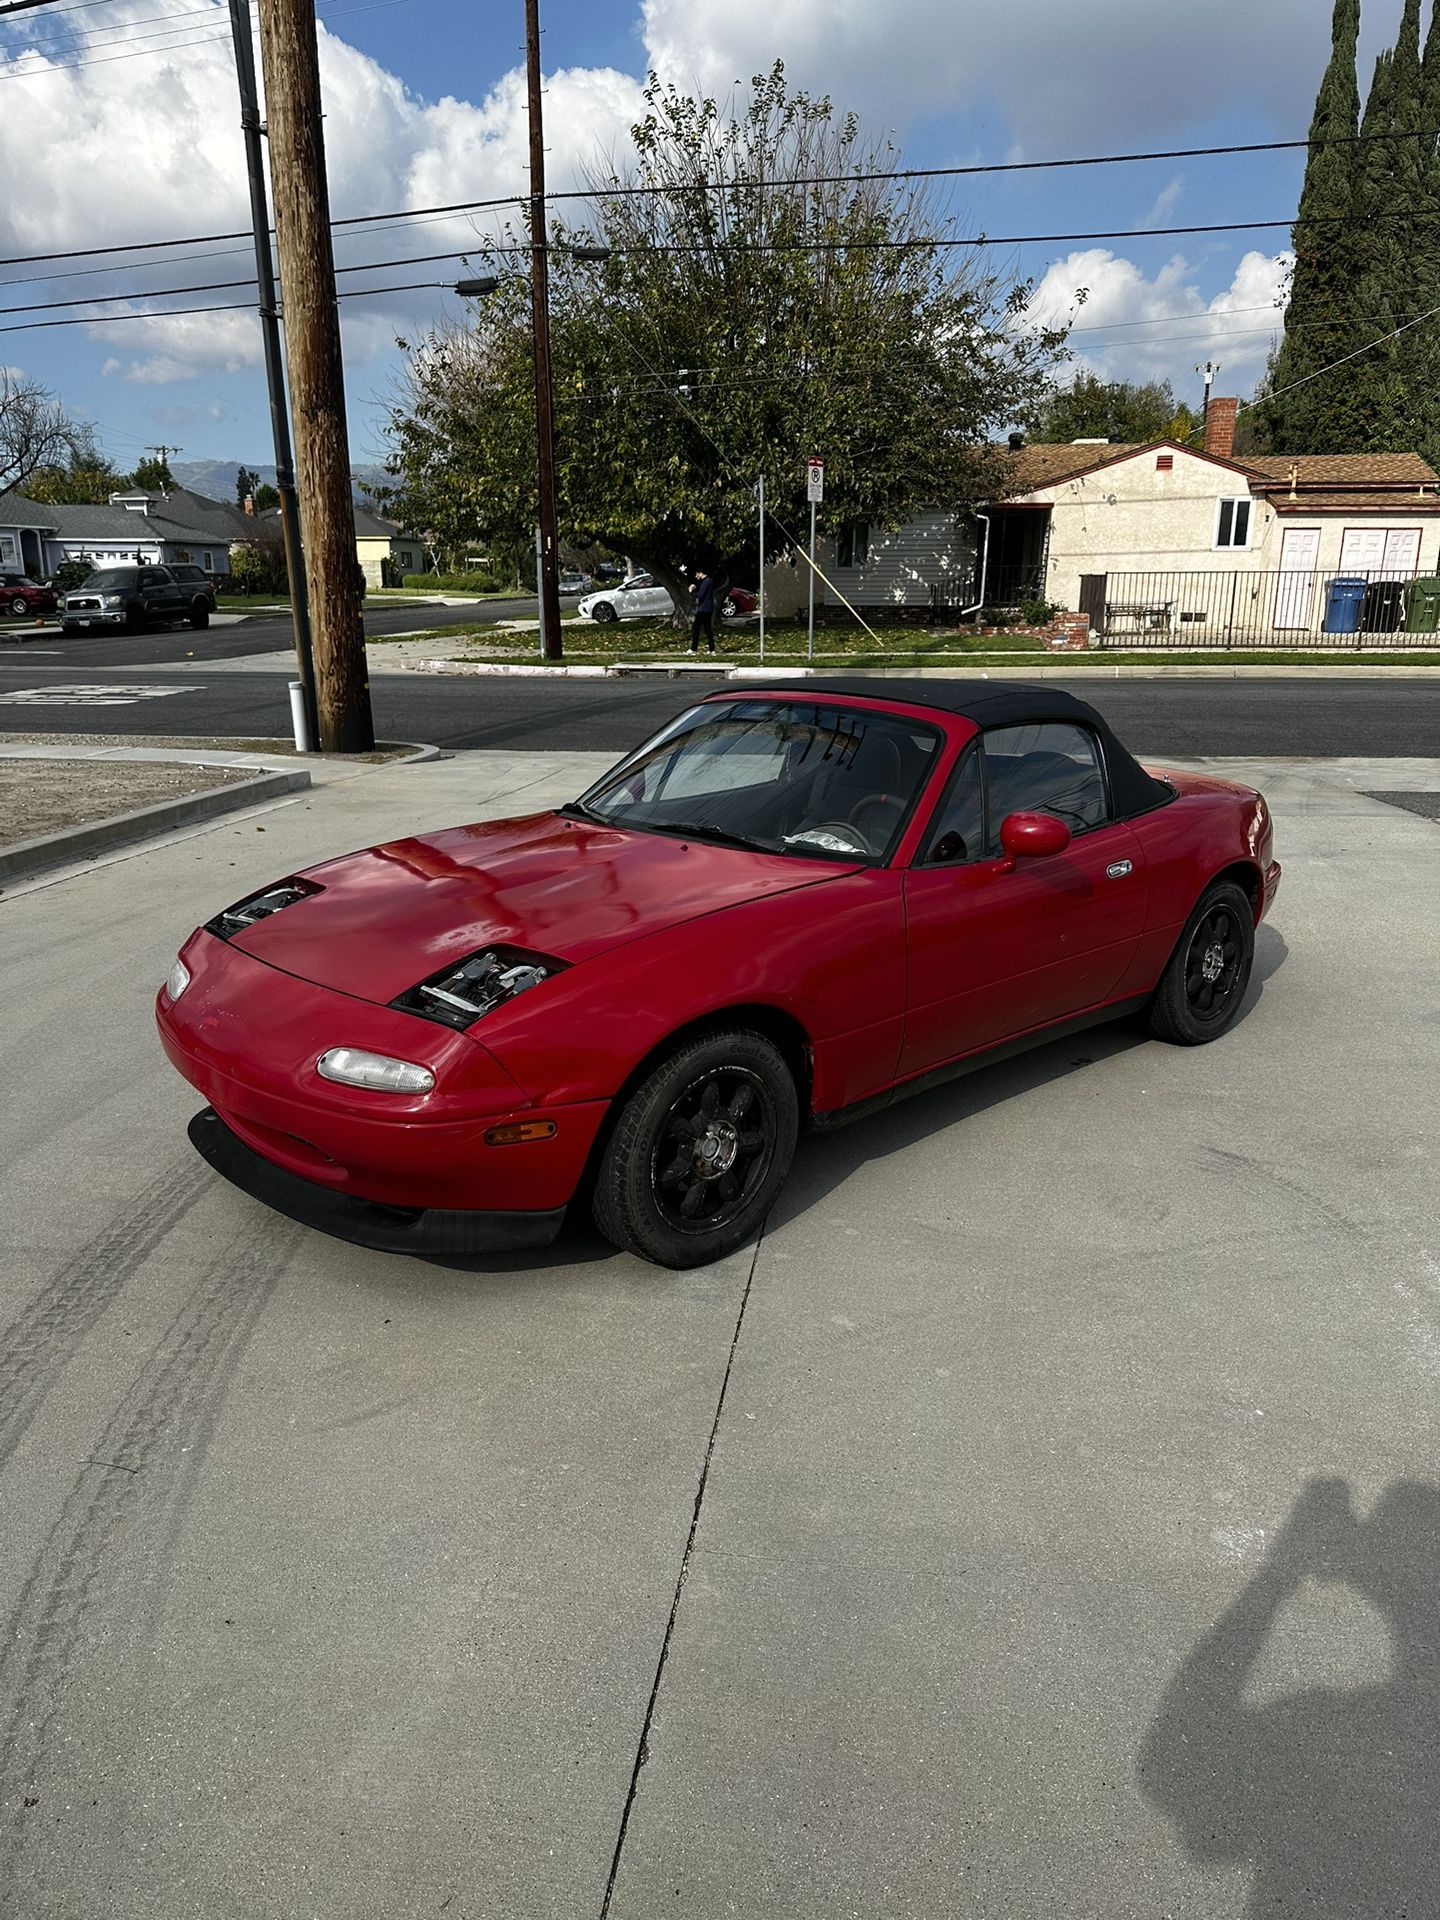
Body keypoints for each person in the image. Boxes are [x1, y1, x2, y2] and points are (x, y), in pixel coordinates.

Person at [688, 569, 716, 654]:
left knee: (696, 628)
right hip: (708, 608)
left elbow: (700, 595)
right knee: (708, 629)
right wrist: (696, 588)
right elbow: (701, 589)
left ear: (700, 573)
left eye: (697, 575)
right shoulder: (708, 581)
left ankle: (694, 649)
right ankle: (711, 649)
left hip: (703, 609)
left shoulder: (706, 582)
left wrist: (691, 591)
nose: (696, 577)